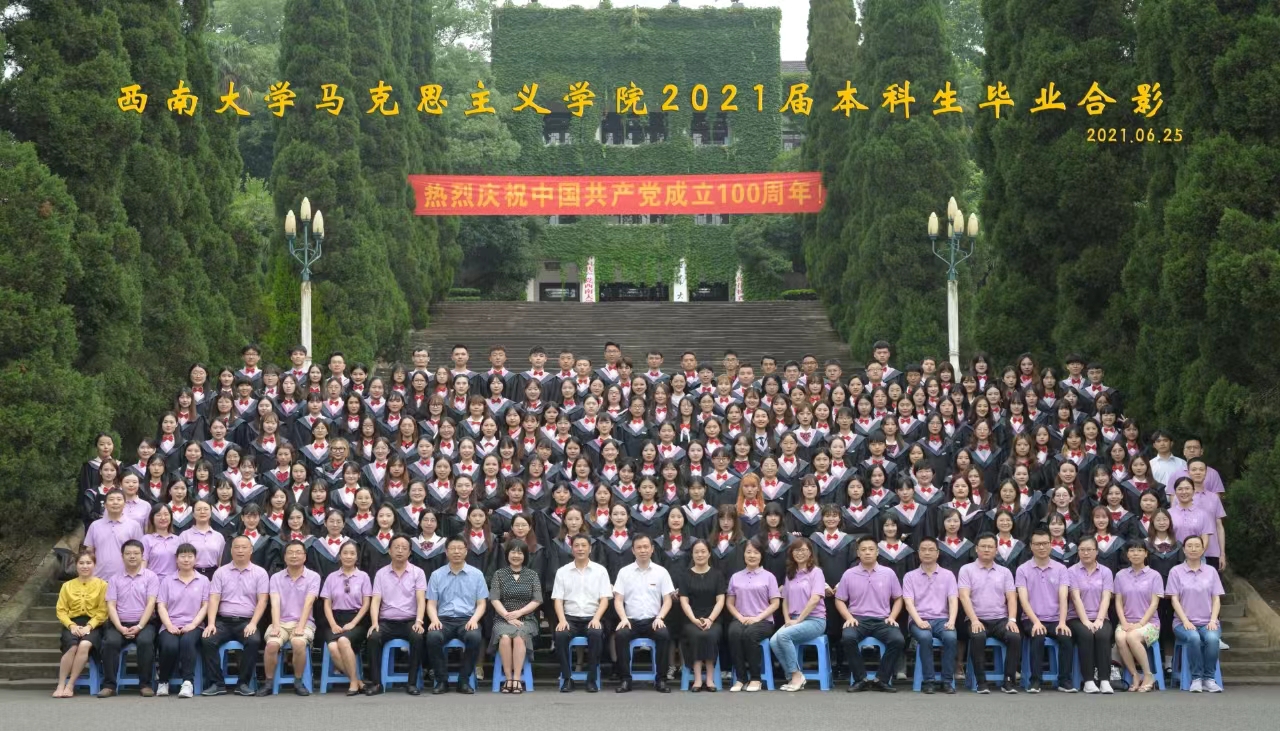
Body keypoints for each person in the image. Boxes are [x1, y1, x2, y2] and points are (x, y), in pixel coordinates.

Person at [199, 535, 269, 697]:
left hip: (246, 621)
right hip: (223, 621)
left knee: (253, 640)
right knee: (208, 639)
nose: (240, 550)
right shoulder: (220, 572)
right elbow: (214, 599)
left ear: (251, 550)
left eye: (244, 547)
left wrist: (253, 623)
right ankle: (217, 683)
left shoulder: (260, 573)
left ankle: (242, 683)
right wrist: (211, 623)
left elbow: (263, 601)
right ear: (231, 551)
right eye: (236, 547)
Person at [835, 536, 905, 693]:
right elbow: (839, 600)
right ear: (858, 553)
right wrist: (849, 617)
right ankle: (861, 679)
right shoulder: (849, 574)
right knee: (848, 638)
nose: (867, 552)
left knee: (898, 640)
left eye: (871, 549)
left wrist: (892, 617)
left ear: (877, 552)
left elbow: (898, 598)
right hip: (857, 620)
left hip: (882, 620)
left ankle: (882, 679)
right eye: (863, 549)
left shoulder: (888, 573)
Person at [958, 533, 1022, 694]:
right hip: (976, 618)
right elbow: (964, 596)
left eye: (990, 547)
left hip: (1000, 619)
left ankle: (1008, 681)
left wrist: (1012, 619)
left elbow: (1011, 597)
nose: (986, 549)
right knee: (978, 636)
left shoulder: (1005, 572)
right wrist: (974, 620)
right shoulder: (966, 570)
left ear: (996, 550)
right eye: (983, 546)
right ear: (976, 549)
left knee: (1014, 636)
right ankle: (981, 682)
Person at [425, 536, 489, 694]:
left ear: (466, 551)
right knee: (433, 637)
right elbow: (431, 604)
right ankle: (442, 680)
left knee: (474, 637)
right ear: (446, 552)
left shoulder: (477, 574)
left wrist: (474, 619)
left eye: (460, 548)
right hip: (443, 620)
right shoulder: (436, 575)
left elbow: (482, 603)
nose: (456, 552)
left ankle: (464, 681)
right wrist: (434, 620)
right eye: (452, 548)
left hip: (467, 619)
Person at [364, 536, 427, 696]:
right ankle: (377, 684)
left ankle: (411, 683)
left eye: (404, 548)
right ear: (389, 551)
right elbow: (375, 601)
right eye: (396, 547)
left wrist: (419, 621)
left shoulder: (418, 573)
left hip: (409, 621)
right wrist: (374, 622)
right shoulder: (381, 574)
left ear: (410, 552)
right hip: (386, 622)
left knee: (418, 637)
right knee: (373, 637)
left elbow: (421, 600)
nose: (400, 551)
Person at [613, 534, 676, 693]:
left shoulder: (661, 572)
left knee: (663, 634)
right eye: (639, 547)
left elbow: (667, 599)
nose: (643, 550)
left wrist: (660, 617)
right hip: (630, 620)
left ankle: (661, 680)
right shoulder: (624, 572)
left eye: (646, 547)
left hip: (653, 620)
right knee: (620, 635)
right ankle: (625, 680)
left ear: (652, 549)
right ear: (633, 550)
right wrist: (623, 618)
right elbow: (618, 600)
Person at [1014, 528, 1074, 693]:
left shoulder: (1061, 569)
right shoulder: (1022, 569)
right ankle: (1035, 681)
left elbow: (1063, 597)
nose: (1041, 547)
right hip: (1031, 619)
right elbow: (1023, 600)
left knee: (1066, 637)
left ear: (1051, 544)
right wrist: (1035, 622)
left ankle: (1064, 681)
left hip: (1055, 619)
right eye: (1037, 544)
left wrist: (1062, 622)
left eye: (1045, 543)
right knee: (1038, 635)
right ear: (1031, 546)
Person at [551, 534, 611, 693]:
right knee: (560, 635)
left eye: (584, 545)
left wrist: (597, 618)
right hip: (570, 618)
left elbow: (604, 599)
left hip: (592, 616)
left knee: (596, 634)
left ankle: (591, 679)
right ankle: (567, 678)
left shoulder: (600, 571)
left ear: (590, 548)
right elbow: (558, 600)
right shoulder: (562, 571)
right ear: (572, 549)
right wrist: (562, 620)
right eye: (576, 546)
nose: (580, 549)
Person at [260, 540, 321, 696]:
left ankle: (298, 681)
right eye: (290, 552)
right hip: (280, 622)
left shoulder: (313, 577)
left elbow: (309, 603)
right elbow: (275, 603)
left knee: (298, 643)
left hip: (304, 622)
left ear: (305, 556)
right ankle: (268, 682)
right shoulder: (276, 577)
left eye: (298, 552)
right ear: (285, 557)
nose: (294, 555)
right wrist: (275, 626)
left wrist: (300, 626)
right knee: (272, 645)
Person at [100, 540, 159, 697]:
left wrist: (139, 626)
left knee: (145, 642)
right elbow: (111, 605)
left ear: (142, 555)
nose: (132, 556)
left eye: (136, 553)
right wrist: (120, 627)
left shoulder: (151, 577)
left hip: (144, 623)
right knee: (110, 642)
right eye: (128, 553)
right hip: (119, 623)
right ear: (122, 556)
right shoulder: (114, 579)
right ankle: (109, 685)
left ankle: (145, 684)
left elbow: (151, 603)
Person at [1167, 535, 1224, 693]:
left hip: (1208, 621)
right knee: (1194, 638)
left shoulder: (1211, 571)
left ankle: (1209, 679)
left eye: (1197, 546)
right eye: (1189, 546)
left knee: (1212, 639)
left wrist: (1213, 620)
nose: (1193, 549)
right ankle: (1196, 678)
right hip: (1182, 623)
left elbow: (1216, 599)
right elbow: (1174, 600)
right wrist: (1185, 621)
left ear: (1203, 549)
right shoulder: (1176, 571)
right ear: (1184, 549)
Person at [902, 536, 958, 695]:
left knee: (951, 637)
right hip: (918, 620)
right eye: (923, 549)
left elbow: (953, 600)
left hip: (942, 619)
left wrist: (952, 621)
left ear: (937, 553)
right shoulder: (910, 576)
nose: (927, 553)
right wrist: (919, 621)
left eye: (931, 549)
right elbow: (908, 603)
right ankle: (928, 681)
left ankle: (947, 681)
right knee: (925, 638)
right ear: (918, 553)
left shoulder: (948, 575)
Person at [770, 538, 827, 692]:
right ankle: (792, 676)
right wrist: (787, 619)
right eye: (796, 550)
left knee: (783, 636)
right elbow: (785, 600)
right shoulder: (791, 574)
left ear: (810, 553)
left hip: (815, 620)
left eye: (803, 550)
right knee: (774, 641)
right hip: (794, 619)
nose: (800, 553)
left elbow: (815, 599)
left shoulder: (816, 572)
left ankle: (796, 675)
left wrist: (799, 620)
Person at [156, 543, 210, 697]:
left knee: (187, 642)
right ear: (176, 559)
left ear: (195, 559)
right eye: (183, 556)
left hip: (194, 625)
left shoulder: (203, 580)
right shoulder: (167, 580)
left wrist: (193, 624)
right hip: (170, 624)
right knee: (169, 645)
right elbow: (161, 605)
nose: (186, 560)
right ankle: (163, 681)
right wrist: (169, 625)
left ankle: (187, 683)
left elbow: (205, 606)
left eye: (190, 556)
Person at [489, 539, 543, 694]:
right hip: (502, 618)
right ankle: (508, 678)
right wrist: (507, 616)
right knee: (505, 637)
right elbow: (494, 599)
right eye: (513, 552)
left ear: (525, 555)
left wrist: (519, 613)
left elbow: (537, 600)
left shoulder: (532, 575)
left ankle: (517, 679)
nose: (516, 556)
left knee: (519, 637)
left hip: (526, 619)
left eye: (520, 553)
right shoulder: (499, 574)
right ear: (507, 554)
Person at [53, 550, 108, 698]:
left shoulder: (102, 585)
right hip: (72, 623)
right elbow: (61, 610)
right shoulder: (67, 586)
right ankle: (61, 684)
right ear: (76, 565)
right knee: (72, 647)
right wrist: (71, 626)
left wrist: (89, 626)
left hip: (94, 624)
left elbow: (103, 611)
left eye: (89, 563)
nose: (85, 566)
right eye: (81, 563)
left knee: (84, 645)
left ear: (94, 565)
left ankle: (70, 685)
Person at [320, 541, 372, 696]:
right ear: (340, 556)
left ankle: (354, 683)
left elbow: (366, 603)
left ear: (357, 557)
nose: (348, 556)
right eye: (345, 553)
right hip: (334, 619)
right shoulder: (331, 577)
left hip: (357, 619)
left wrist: (353, 623)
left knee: (343, 641)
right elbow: (327, 604)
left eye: (352, 553)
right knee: (332, 646)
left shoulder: (363, 577)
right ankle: (357, 681)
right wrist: (333, 624)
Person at [1066, 537, 1116, 693]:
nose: (1086, 553)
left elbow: (1106, 597)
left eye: (1089, 549)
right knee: (1086, 634)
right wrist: (1086, 621)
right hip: (1076, 618)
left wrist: (1100, 619)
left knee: (1103, 635)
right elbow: (1075, 598)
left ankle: (1105, 680)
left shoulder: (1105, 572)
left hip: (1100, 616)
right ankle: (1088, 680)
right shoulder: (1071, 571)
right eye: (1082, 550)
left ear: (1096, 551)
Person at [677, 539, 727, 691]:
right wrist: (694, 619)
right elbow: (684, 601)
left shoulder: (717, 575)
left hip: (713, 618)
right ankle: (698, 679)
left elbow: (720, 600)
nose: (700, 555)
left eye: (703, 551)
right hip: (691, 619)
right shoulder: (685, 576)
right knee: (697, 635)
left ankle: (710, 679)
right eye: (696, 552)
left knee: (710, 635)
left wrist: (710, 619)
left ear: (709, 553)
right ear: (692, 555)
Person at [1114, 540, 1164, 693]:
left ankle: (1148, 675)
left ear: (1146, 553)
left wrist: (1141, 624)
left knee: (1132, 637)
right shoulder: (1120, 575)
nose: (1136, 553)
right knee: (1120, 637)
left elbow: (1154, 604)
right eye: (1132, 550)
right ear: (1127, 554)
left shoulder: (1154, 576)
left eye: (1140, 550)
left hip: (1149, 623)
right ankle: (1135, 675)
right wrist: (1123, 622)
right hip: (1127, 621)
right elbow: (1118, 602)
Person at [84, 489, 144, 583]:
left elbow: (140, 553)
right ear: (105, 505)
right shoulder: (95, 526)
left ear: (124, 504)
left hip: (126, 578)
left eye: (119, 499)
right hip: (98, 578)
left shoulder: (134, 525)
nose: (115, 502)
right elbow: (89, 552)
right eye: (111, 499)